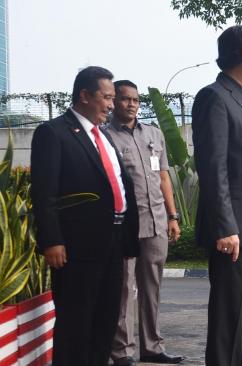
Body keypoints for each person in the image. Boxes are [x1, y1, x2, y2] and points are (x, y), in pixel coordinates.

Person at [30, 66, 139, 366]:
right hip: (76, 248)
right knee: (75, 326)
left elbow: (117, 184)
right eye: (106, 97)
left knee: (105, 322)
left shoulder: (104, 136)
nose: (111, 104)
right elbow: (44, 192)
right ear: (84, 95)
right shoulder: (53, 133)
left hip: (113, 243)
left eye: (113, 98)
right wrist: (52, 240)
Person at [191, 25, 242, 366]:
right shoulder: (215, 97)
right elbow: (214, 168)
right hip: (235, 232)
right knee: (230, 322)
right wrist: (226, 226)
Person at [104, 80, 184, 366]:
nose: (132, 104)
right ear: (113, 101)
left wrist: (173, 217)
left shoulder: (153, 133)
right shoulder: (105, 137)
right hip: (124, 225)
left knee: (152, 287)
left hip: (156, 222)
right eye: (125, 99)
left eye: (136, 100)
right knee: (124, 288)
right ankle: (122, 351)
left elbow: (163, 178)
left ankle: (152, 347)